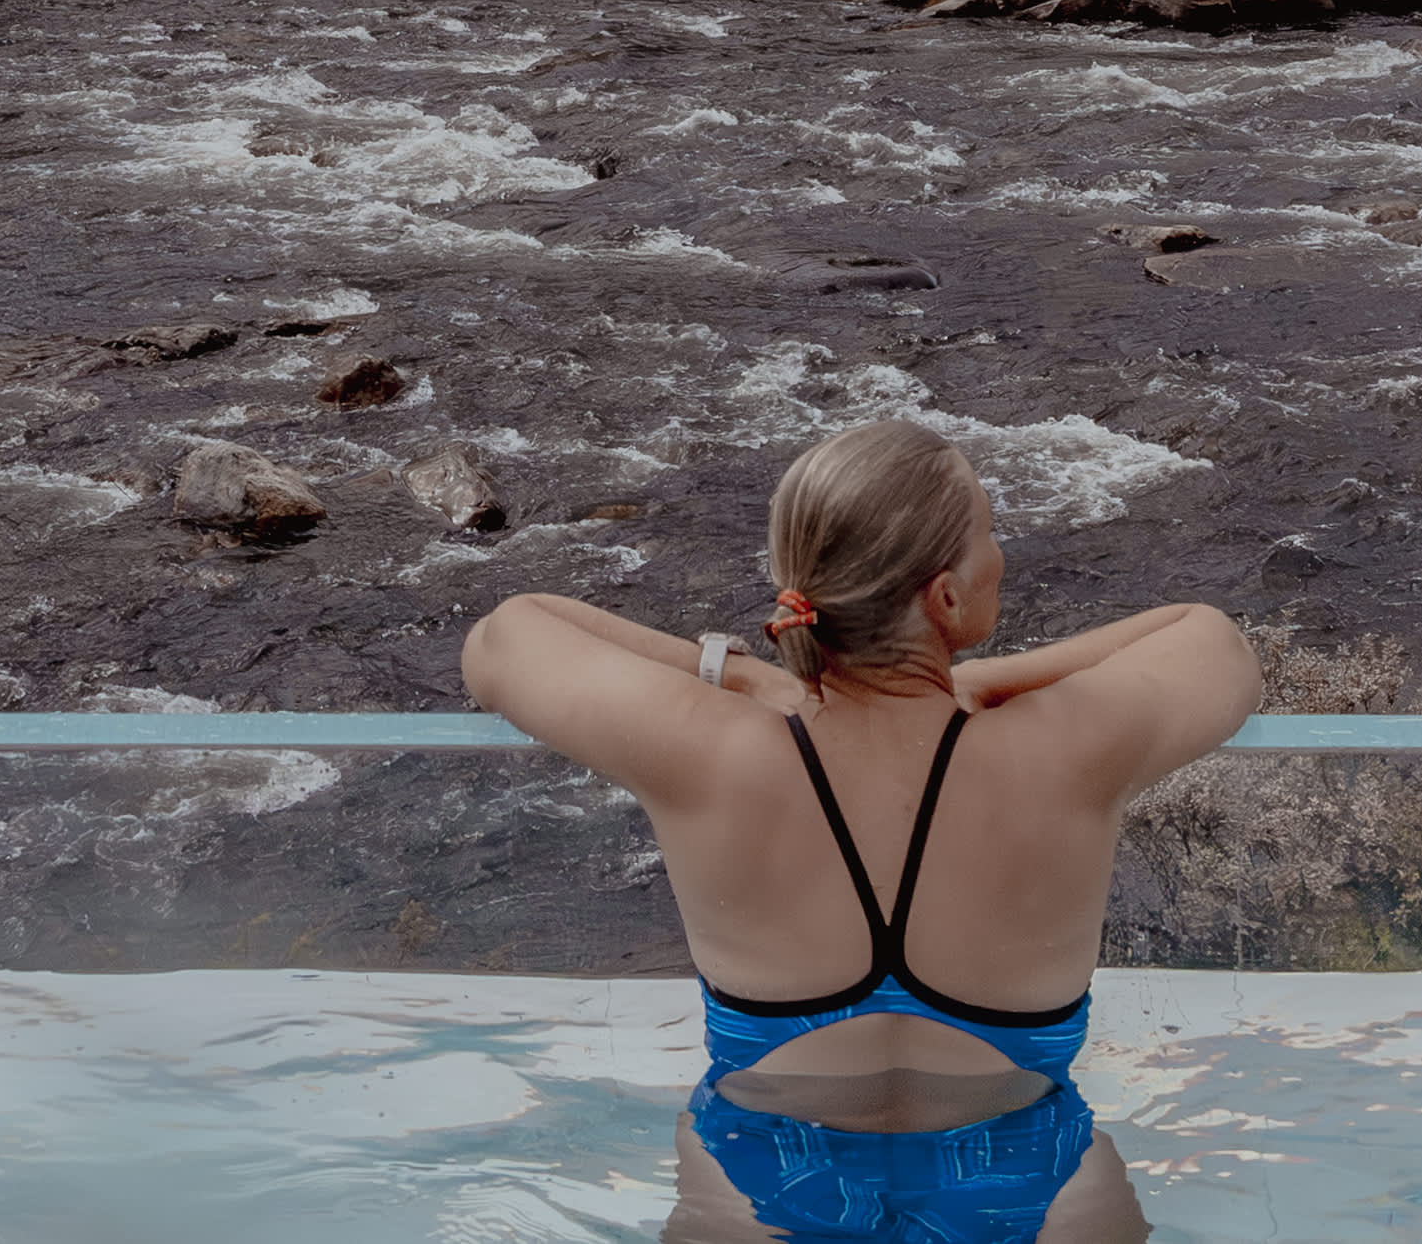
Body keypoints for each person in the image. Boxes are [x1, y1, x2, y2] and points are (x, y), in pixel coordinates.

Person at [462, 419, 1262, 1244]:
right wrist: (980, 682)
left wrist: (738, 674)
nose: (999, 553)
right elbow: (1211, 638)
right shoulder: (1063, 748)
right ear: (944, 597)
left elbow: (507, 631)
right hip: (1030, 1167)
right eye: (989, 531)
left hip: (759, 1171)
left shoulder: (707, 748)